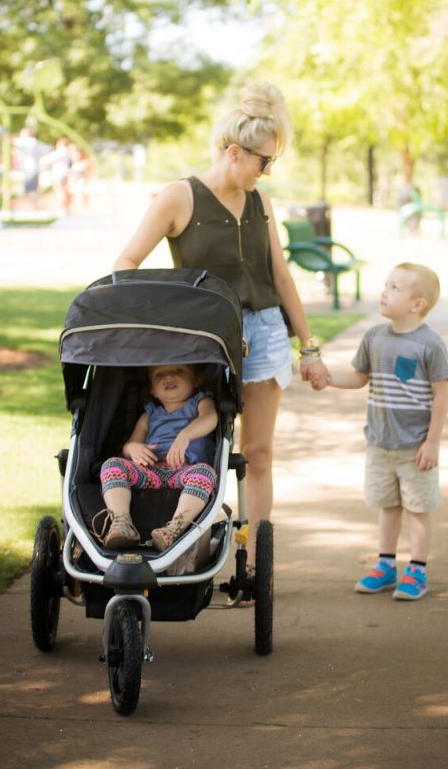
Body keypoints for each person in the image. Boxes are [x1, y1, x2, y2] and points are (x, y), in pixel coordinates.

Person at [113, 83, 328, 567]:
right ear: (234, 152)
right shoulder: (179, 198)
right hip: (204, 340)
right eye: (263, 161)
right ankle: (186, 544)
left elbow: (280, 276)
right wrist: (151, 315)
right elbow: (127, 259)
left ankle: (252, 560)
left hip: (265, 336)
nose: (266, 170)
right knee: (199, 447)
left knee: (258, 452)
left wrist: (309, 350)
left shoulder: (261, 202)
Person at [317, 262, 448, 601]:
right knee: (387, 506)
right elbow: (360, 377)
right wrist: (330, 379)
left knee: (418, 509)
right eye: (385, 285)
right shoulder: (374, 337)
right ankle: (386, 566)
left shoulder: (429, 344)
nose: (384, 292)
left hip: (414, 446)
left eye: (394, 287)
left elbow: (441, 396)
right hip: (379, 443)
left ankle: (417, 571)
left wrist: (432, 442)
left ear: (416, 304)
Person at [96, 363, 218, 551]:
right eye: (159, 375)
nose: (169, 377)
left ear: (196, 380)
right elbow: (129, 445)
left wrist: (185, 436)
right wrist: (133, 448)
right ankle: (122, 522)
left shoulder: (201, 402)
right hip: (150, 471)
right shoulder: (149, 415)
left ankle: (174, 529)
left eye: (178, 371)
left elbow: (210, 418)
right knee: (112, 465)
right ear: (152, 389)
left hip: (184, 470)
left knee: (205, 473)